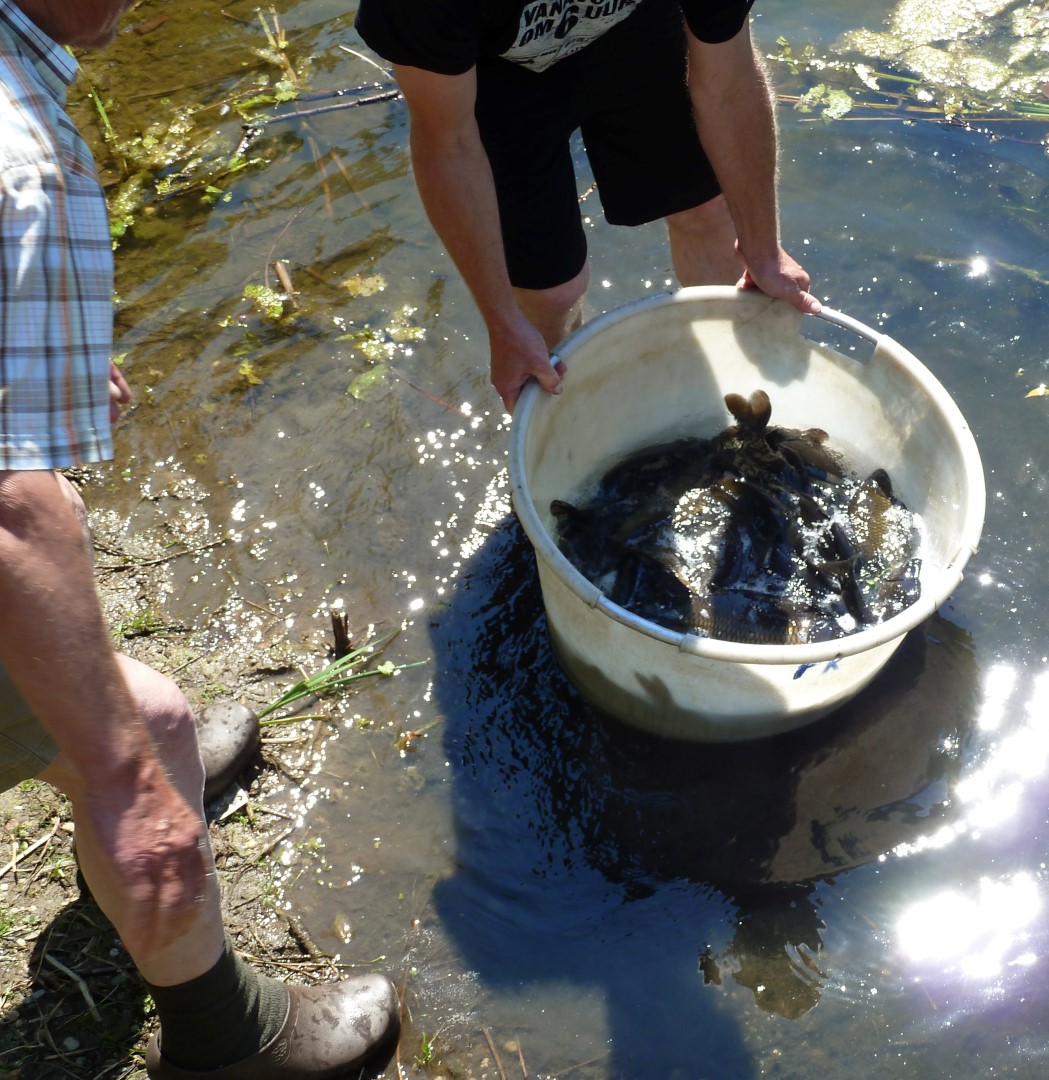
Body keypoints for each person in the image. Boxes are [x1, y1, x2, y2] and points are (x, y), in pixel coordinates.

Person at [0, 1, 401, 1076]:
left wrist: (44, 353)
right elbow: (11, 515)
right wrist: (125, 782)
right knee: (151, 744)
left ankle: (117, 854)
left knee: (153, 738)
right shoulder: (18, 157)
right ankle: (229, 1040)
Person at [354, 0, 820, 412]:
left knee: (709, 210)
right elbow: (449, 143)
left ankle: (735, 395)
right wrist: (503, 323)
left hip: (636, 23)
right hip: (497, 68)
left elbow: (729, 84)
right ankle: (567, 418)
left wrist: (764, 250)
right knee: (552, 295)